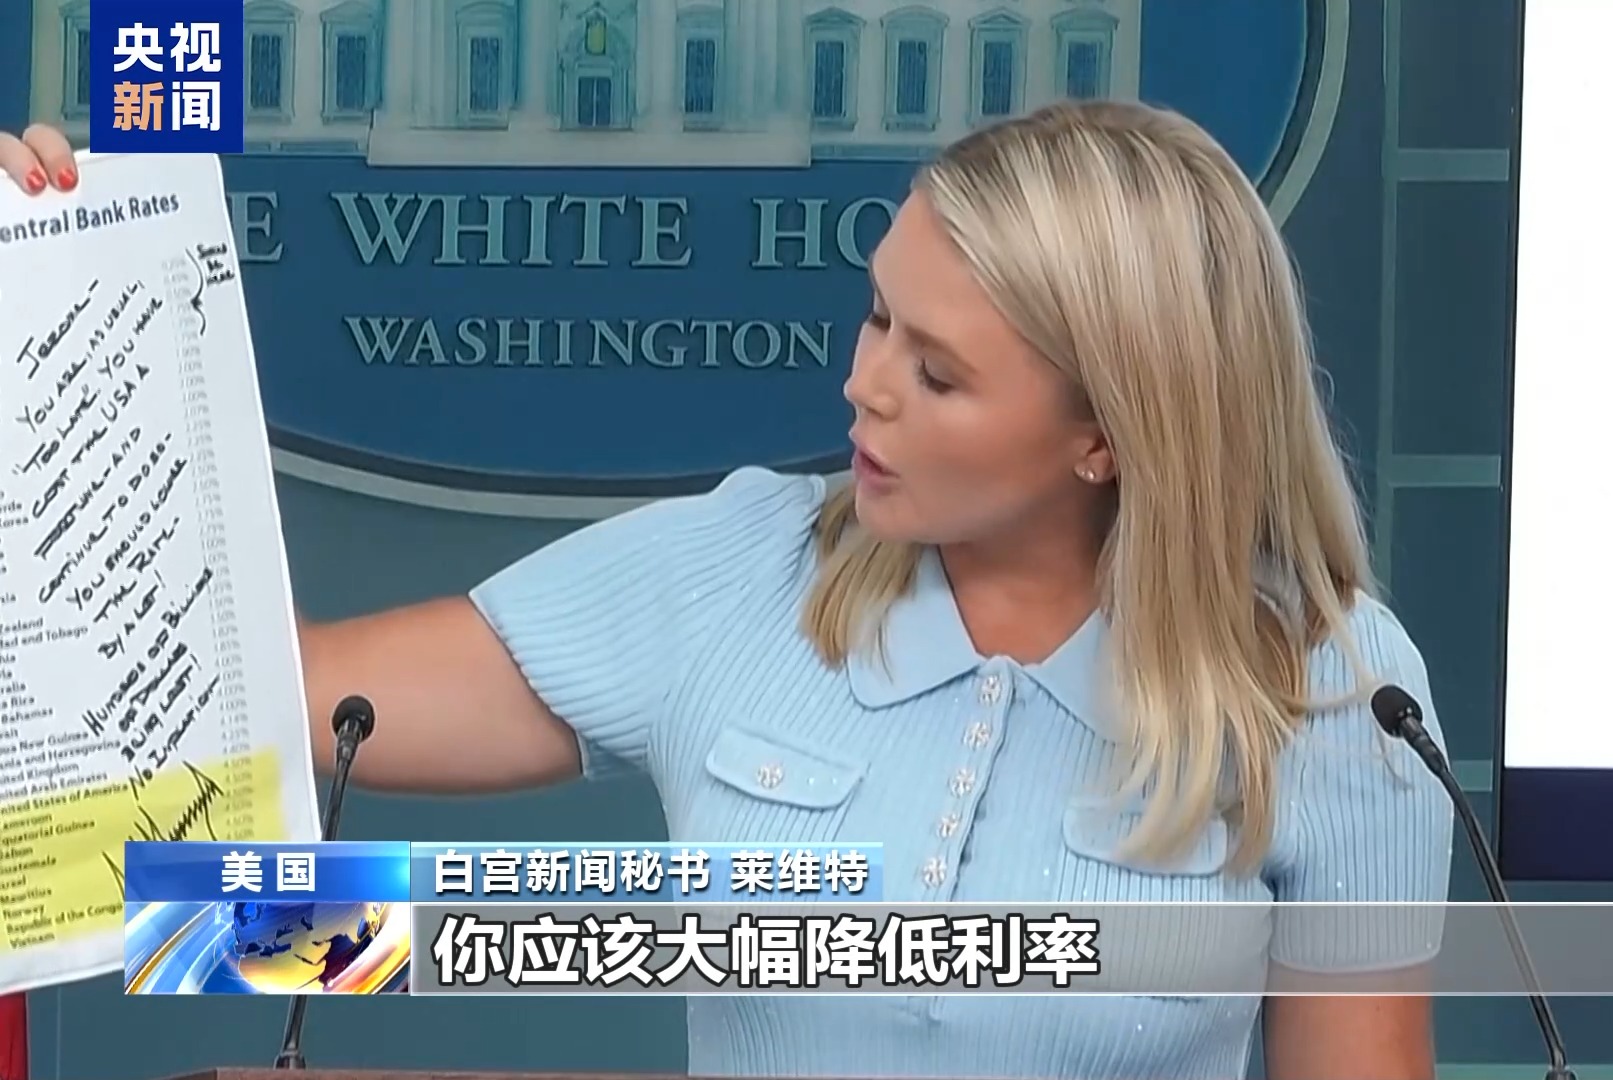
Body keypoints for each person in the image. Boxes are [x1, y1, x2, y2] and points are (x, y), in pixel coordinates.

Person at [0, 101, 1454, 1080]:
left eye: (940, 373)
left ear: (1109, 434)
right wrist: (59, 308)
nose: (864, 386)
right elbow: (273, 704)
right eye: (877, 316)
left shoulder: (1339, 695)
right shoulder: (734, 570)